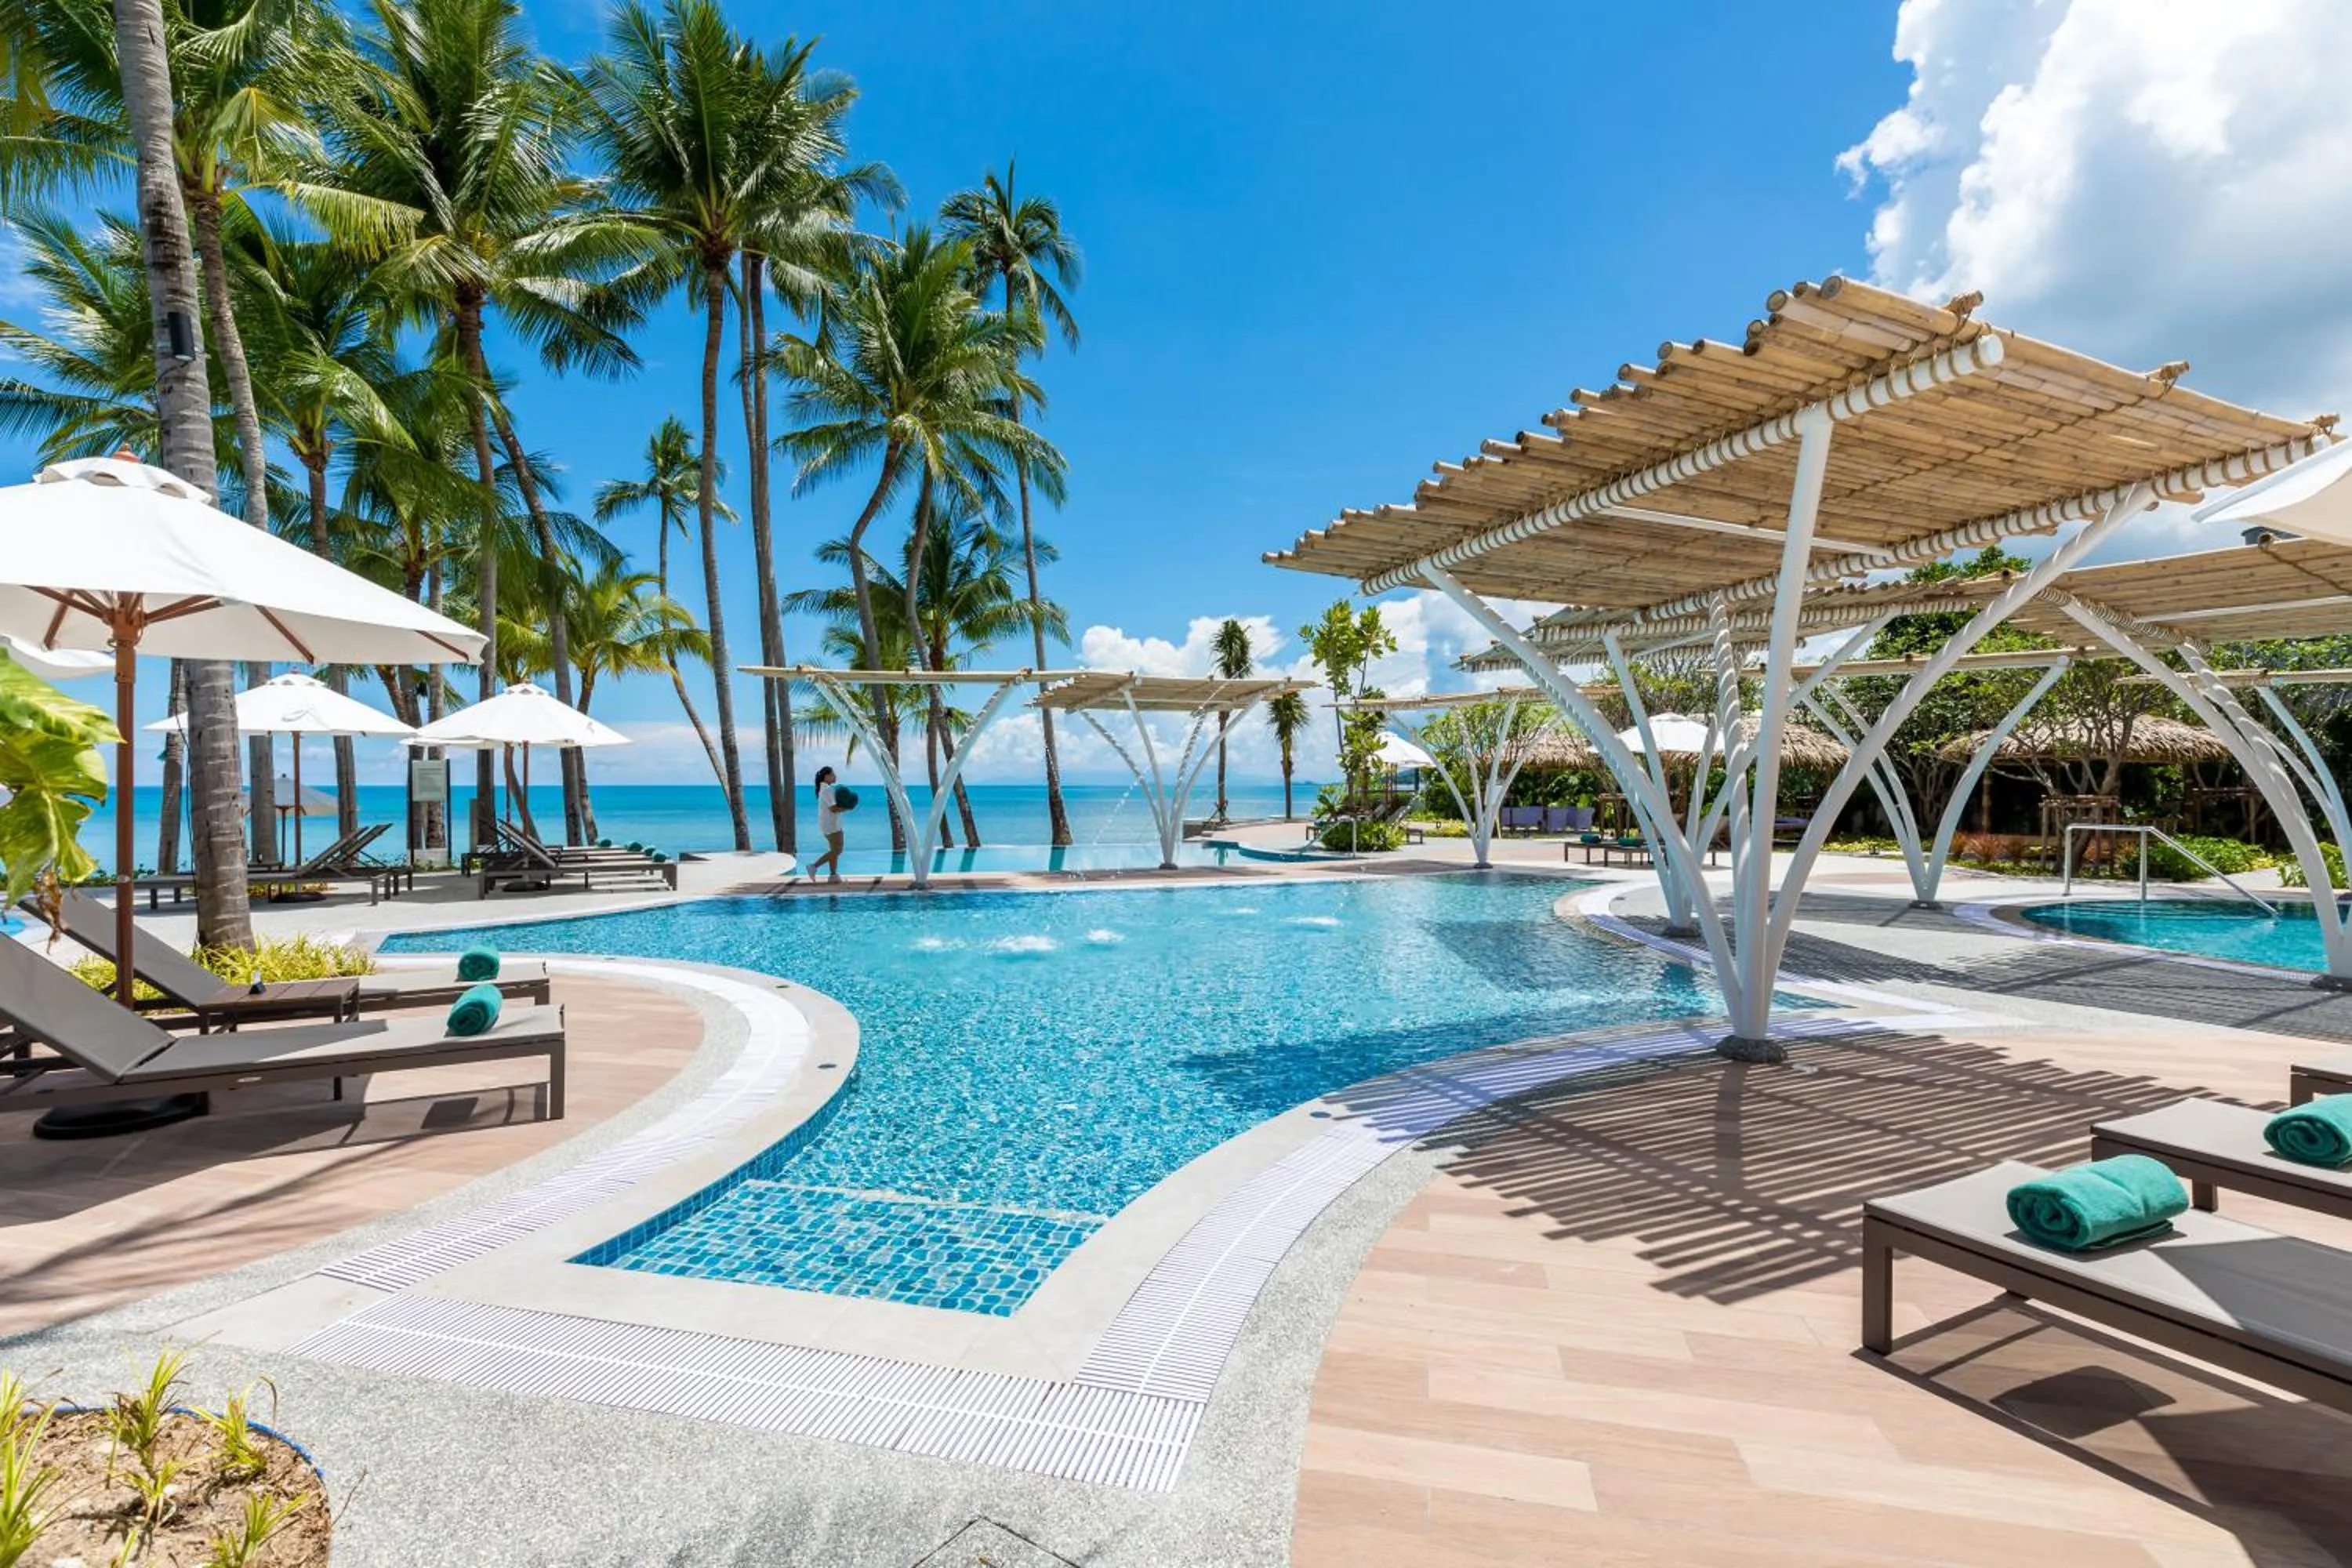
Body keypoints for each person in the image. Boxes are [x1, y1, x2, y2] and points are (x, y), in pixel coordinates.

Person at [808, 766, 847, 884]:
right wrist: (847, 807)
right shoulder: (828, 790)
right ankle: (814, 866)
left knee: (834, 850)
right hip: (832, 825)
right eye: (833, 774)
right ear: (827, 776)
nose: (835, 776)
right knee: (838, 850)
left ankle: (833, 875)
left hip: (827, 825)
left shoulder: (824, 789)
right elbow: (833, 808)